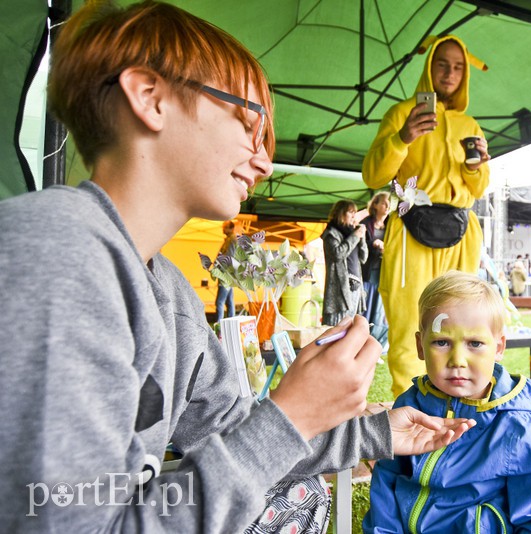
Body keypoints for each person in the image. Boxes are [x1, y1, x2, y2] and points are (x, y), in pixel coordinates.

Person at [0, 2, 476, 530]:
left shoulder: (169, 291)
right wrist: (293, 411)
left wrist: (376, 433)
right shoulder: (57, 254)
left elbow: (239, 429)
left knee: (300, 496)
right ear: (150, 97)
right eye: (249, 122)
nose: (264, 160)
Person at [362, 271, 531, 533]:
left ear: (498, 348)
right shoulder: (411, 405)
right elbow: (387, 478)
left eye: (475, 343)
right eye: (441, 342)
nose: (457, 360)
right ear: (420, 346)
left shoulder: (519, 423)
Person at [362, 35, 491, 397]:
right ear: (428, 66)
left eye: (458, 67)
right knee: (409, 326)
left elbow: (478, 188)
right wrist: (402, 138)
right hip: (411, 228)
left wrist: (478, 164)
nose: (450, 73)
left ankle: (459, 406)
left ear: (465, 74)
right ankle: (413, 412)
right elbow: (373, 175)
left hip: (462, 231)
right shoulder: (402, 113)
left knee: (462, 323)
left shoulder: (471, 125)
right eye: (442, 64)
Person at [321, 200, 368, 326]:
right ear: (340, 213)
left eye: (355, 213)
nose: (354, 216)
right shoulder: (331, 233)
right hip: (341, 287)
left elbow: (363, 258)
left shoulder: (353, 232)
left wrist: (361, 237)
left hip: (357, 285)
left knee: (350, 326)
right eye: (350, 212)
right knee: (338, 325)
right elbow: (338, 254)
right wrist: (355, 236)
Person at [361, 192, 390, 341]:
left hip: (386, 272)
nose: (387, 206)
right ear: (375, 205)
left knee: (381, 309)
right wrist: (374, 245)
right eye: (384, 203)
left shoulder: (392, 225)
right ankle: (363, 338)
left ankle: (377, 341)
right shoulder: (366, 224)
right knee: (367, 306)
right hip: (369, 272)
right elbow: (360, 247)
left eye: (389, 203)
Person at [215, 220, 239, 324]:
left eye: (224, 227)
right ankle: (231, 323)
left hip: (226, 274)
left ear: (230, 228)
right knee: (229, 302)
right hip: (229, 275)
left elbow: (228, 257)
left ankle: (219, 325)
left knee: (219, 302)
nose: (222, 229)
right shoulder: (230, 239)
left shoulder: (232, 239)